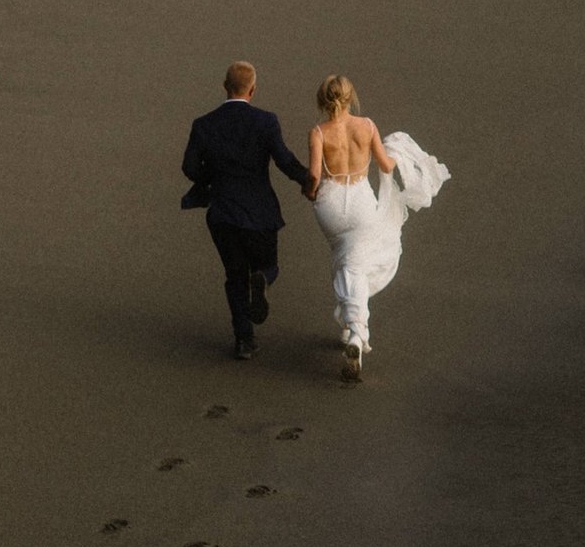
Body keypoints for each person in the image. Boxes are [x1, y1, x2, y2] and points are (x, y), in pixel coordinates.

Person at [305, 73, 450, 383]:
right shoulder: (367, 126)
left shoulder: (318, 132)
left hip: (330, 208)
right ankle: (357, 333)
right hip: (360, 204)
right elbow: (385, 165)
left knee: (346, 260)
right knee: (353, 262)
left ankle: (350, 328)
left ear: (323, 99)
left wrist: (310, 193)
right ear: (350, 97)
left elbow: (315, 177)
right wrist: (400, 156)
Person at [181, 60, 312, 360]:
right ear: (253, 89)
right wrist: (309, 181)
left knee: (234, 275)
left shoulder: (203, 124)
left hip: (223, 212)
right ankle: (263, 279)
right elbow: (284, 160)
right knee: (269, 266)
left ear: (224, 87)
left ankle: (244, 340)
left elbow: (189, 167)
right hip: (260, 212)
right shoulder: (266, 121)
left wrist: (212, 180)